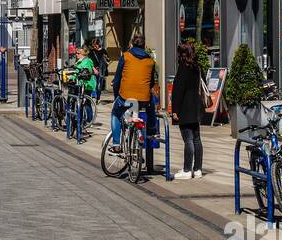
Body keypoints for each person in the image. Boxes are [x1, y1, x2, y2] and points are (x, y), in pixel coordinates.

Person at [110, 33, 160, 173]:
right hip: (143, 99)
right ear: (144, 45)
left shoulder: (125, 56)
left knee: (115, 113)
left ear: (132, 44)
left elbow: (117, 79)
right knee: (149, 103)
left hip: (125, 97)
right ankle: (151, 130)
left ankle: (116, 144)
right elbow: (151, 83)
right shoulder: (150, 61)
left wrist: (116, 97)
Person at [169, 43, 213, 179]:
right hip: (197, 106)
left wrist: (175, 109)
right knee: (197, 138)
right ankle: (198, 169)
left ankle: (187, 170)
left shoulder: (183, 67)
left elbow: (179, 90)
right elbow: (203, 84)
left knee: (188, 139)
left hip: (185, 108)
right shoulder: (197, 66)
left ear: (181, 54)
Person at [89, 38, 109, 102]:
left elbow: (108, 60)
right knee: (94, 84)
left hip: (101, 70)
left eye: (95, 45)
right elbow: (89, 61)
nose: (94, 47)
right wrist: (94, 69)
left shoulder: (103, 51)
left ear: (99, 44)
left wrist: (106, 61)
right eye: (93, 45)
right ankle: (94, 96)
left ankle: (98, 98)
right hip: (94, 70)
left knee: (99, 85)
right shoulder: (92, 51)